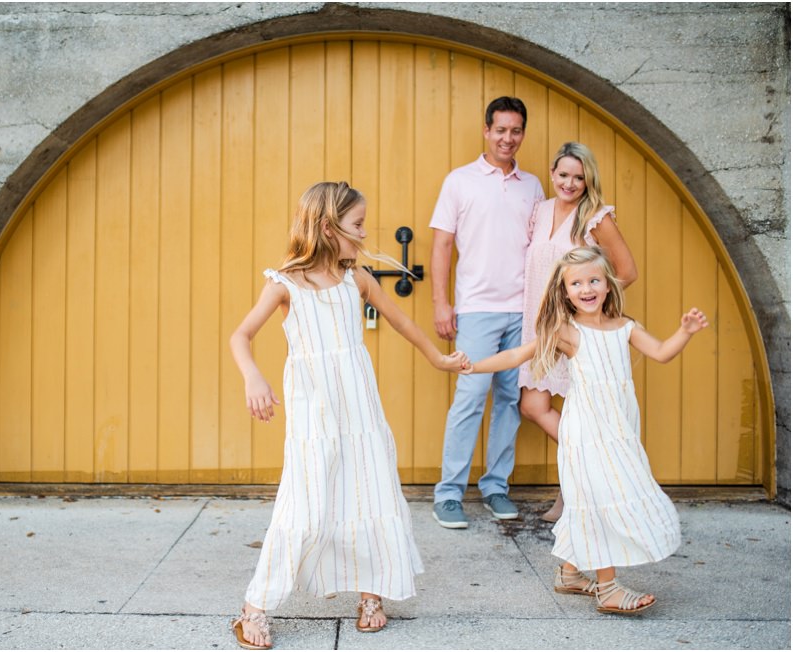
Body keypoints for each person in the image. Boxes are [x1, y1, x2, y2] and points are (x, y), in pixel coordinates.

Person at [229, 181, 471, 650]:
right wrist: (253, 378)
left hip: (360, 410)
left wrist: (438, 359)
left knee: (370, 493)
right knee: (306, 506)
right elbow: (240, 336)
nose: (363, 233)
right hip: (314, 416)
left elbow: (402, 323)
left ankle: (371, 596)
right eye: (357, 225)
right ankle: (253, 607)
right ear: (327, 226)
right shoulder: (283, 284)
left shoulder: (355, 280)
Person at [466, 246, 708, 614]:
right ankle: (607, 587)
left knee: (589, 499)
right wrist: (473, 366)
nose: (586, 288)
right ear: (565, 292)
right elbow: (517, 355)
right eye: (576, 283)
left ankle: (569, 574)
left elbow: (660, 352)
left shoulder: (624, 327)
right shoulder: (568, 331)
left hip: (619, 428)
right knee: (599, 499)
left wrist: (685, 331)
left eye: (593, 280)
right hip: (585, 430)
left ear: (608, 285)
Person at [430, 96, 546, 527]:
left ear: (522, 134)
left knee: (510, 401)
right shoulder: (459, 182)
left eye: (515, 131)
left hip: (523, 311)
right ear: (486, 130)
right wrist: (443, 303)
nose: (508, 138)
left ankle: (496, 486)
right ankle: (448, 494)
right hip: (477, 308)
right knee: (469, 399)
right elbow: (442, 245)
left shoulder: (532, 186)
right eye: (500, 130)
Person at [520, 142, 638, 522]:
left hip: (572, 330)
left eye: (578, 176)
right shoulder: (540, 210)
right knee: (534, 406)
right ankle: (579, 488)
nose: (570, 183)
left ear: (588, 180)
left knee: (568, 412)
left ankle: (579, 488)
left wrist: (588, 306)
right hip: (537, 324)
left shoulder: (595, 218)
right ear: (552, 173)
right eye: (564, 174)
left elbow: (626, 271)